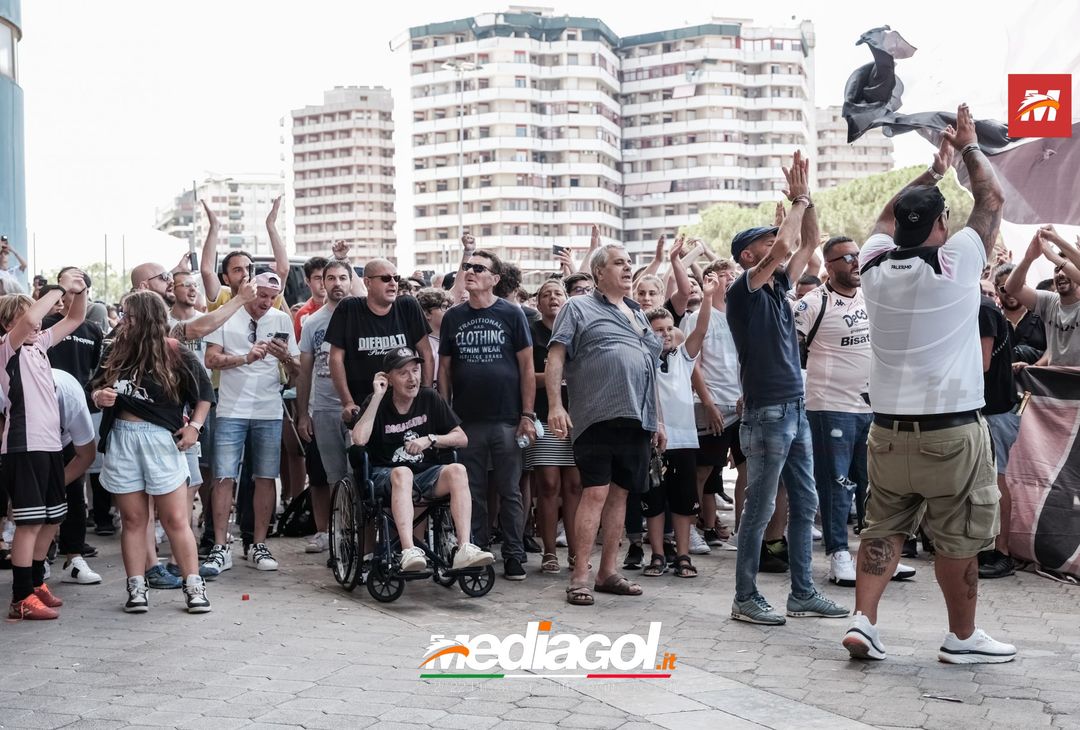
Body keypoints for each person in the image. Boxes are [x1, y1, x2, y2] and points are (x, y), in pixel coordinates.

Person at [842, 104, 1015, 664]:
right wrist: (966, 148)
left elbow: (884, 220)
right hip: (952, 432)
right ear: (942, 225)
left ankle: (863, 622)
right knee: (959, 537)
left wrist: (934, 174)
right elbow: (991, 202)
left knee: (883, 527)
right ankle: (961, 638)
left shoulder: (871, 268)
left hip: (888, 431)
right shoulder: (957, 262)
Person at [725, 150, 848, 625]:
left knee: (806, 501)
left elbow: (808, 243)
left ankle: (802, 592)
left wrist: (807, 200)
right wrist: (795, 199)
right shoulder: (745, 288)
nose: (776, 242)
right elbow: (784, 248)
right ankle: (744, 597)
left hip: (792, 407)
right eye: (766, 241)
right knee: (759, 507)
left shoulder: (777, 286)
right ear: (748, 256)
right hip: (769, 411)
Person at [795, 237, 916, 588]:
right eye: (846, 257)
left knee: (875, 485)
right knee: (836, 485)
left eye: (858, 256)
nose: (854, 262)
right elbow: (788, 348)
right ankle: (838, 555)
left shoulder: (871, 296)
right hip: (830, 407)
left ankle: (876, 555)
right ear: (828, 264)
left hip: (874, 407)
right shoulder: (813, 303)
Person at [547, 244, 664, 606]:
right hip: (596, 415)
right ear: (599, 272)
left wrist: (657, 419)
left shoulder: (637, 313)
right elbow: (556, 356)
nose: (628, 268)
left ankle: (607, 572)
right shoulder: (576, 306)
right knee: (595, 492)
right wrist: (554, 405)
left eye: (630, 263)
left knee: (620, 495)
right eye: (619, 263)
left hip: (638, 417)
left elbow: (649, 370)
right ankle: (580, 575)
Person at [90, 291, 214, 614]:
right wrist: (99, 395)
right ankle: (136, 587)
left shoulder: (176, 353)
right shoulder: (114, 350)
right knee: (133, 519)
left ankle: (193, 585)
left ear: (145, 317)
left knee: (175, 518)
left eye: (129, 315)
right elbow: (96, 387)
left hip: (161, 440)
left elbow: (204, 395)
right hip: (123, 437)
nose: (123, 320)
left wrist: (194, 427)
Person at [351, 347, 494, 573]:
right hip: (385, 475)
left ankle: (464, 547)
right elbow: (358, 439)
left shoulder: (429, 397)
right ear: (388, 378)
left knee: (457, 470)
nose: (412, 378)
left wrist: (431, 439)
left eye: (415, 371)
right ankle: (408, 550)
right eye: (403, 373)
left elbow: (462, 438)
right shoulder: (377, 400)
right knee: (402, 472)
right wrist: (377, 397)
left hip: (425, 475)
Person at [439, 249, 536, 581]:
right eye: (467, 266)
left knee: (510, 490)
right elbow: (445, 371)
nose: (470, 271)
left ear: (494, 279)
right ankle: (477, 549)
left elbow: (526, 367)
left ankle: (513, 555)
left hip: (507, 418)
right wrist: (446, 414)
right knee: (473, 489)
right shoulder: (453, 316)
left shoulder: (512, 313)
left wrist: (527, 413)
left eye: (478, 268)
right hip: (466, 422)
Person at [202, 272, 300, 575]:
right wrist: (246, 358)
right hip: (231, 408)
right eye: (262, 296)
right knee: (223, 476)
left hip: (268, 409)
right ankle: (220, 546)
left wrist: (286, 359)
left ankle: (258, 544)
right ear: (250, 291)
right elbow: (210, 360)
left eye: (272, 297)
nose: (266, 303)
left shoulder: (282, 320)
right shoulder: (227, 314)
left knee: (266, 476)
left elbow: (297, 371)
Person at [1, 277, 87, 620]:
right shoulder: (7, 347)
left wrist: (77, 292)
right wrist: (57, 289)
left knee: (52, 517)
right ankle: (20, 598)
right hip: (24, 445)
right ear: (12, 323)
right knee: (30, 523)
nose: (38, 323)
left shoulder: (38, 345)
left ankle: (35, 584)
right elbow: (30, 321)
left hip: (50, 444)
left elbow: (75, 318)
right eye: (29, 318)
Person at [641, 271, 720, 579]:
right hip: (654, 441)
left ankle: (683, 555)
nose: (664, 334)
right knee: (655, 502)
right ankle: (658, 554)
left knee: (685, 502)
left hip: (685, 440)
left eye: (668, 328)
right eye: (657, 330)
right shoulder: (643, 360)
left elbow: (700, 328)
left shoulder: (683, 358)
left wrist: (709, 296)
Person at [40, 268, 104, 574]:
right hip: (38, 417)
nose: (74, 291)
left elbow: (93, 373)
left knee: (74, 488)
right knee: (37, 492)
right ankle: (40, 557)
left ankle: (74, 555)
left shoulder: (93, 330)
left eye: (81, 286)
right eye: (69, 285)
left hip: (75, 413)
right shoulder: (41, 326)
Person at [326, 258, 433, 429]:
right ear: (367, 282)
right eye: (385, 278)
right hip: (364, 409)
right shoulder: (349, 308)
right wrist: (348, 402)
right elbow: (335, 359)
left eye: (396, 278)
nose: (392, 283)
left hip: (406, 409)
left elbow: (426, 354)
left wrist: (425, 396)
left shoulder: (408, 305)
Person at [684, 260, 747, 547]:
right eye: (724, 275)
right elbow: (692, 363)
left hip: (743, 405)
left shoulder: (743, 315)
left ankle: (744, 531)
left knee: (747, 470)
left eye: (733, 275)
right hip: (712, 405)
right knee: (703, 471)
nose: (731, 279)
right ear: (710, 280)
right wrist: (707, 403)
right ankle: (690, 528)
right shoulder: (697, 316)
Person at [524, 280, 582, 574]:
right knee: (548, 485)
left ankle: (576, 551)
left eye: (557, 293)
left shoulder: (578, 329)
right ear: (538, 302)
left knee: (575, 487)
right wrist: (554, 375)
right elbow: (523, 376)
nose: (552, 298)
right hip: (544, 417)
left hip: (579, 416)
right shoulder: (530, 332)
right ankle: (549, 552)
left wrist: (555, 374)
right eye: (545, 294)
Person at [297, 260, 354, 551]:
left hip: (357, 409)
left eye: (343, 277)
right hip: (324, 409)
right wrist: (303, 414)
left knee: (358, 474)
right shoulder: (313, 322)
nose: (336, 283)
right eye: (330, 278)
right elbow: (304, 371)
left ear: (351, 281)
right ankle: (340, 534)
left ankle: (361, 534)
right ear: (322, 283)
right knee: (333, 477)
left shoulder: (361, 315)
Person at [976, 289, 1020, 580]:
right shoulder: (980, 307)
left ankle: (1001, 552)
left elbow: (982, 363)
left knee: (996, 479)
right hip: (982, 408)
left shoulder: (983, 309)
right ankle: (984, 547)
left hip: (995, 410)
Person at [1003, 227, 1080, 368]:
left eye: (1066, 268)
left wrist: (1054, 250)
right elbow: (1012, 288)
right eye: (1056, 269)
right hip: (1054, 383)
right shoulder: (1049, 301)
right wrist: (1029, 258)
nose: (1060, 274)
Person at [992, 264, 1045, 364]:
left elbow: (1054, 352)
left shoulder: (1043, 316)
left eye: (1015, 286)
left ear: (1024, 284)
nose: (1011, 292)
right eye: (1004, 288)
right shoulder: (993, 321)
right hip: (1004, 379)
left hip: (1039, 378)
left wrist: (1034, 366)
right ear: (996, 289)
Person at [415, 288, 451, 388]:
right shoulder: (419, 343)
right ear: (426, 314)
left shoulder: (451, 339)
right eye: (444, 307)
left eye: (449, 306)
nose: (449, 311)